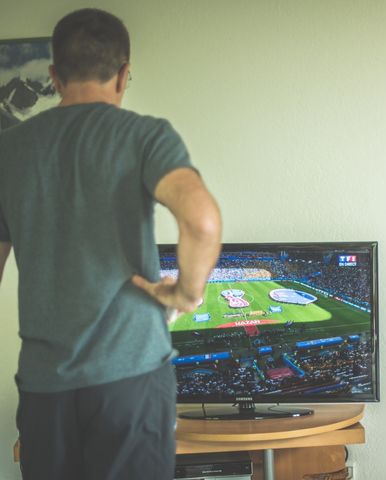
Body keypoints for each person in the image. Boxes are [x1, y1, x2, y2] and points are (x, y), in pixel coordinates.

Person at [0, 8, 222, 480]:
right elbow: (202, 221)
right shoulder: (145, 135)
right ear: (124, 75)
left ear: (55, 75)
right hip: (132, 378)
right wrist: (184, 294)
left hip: (45, 386)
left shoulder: (8, 150)